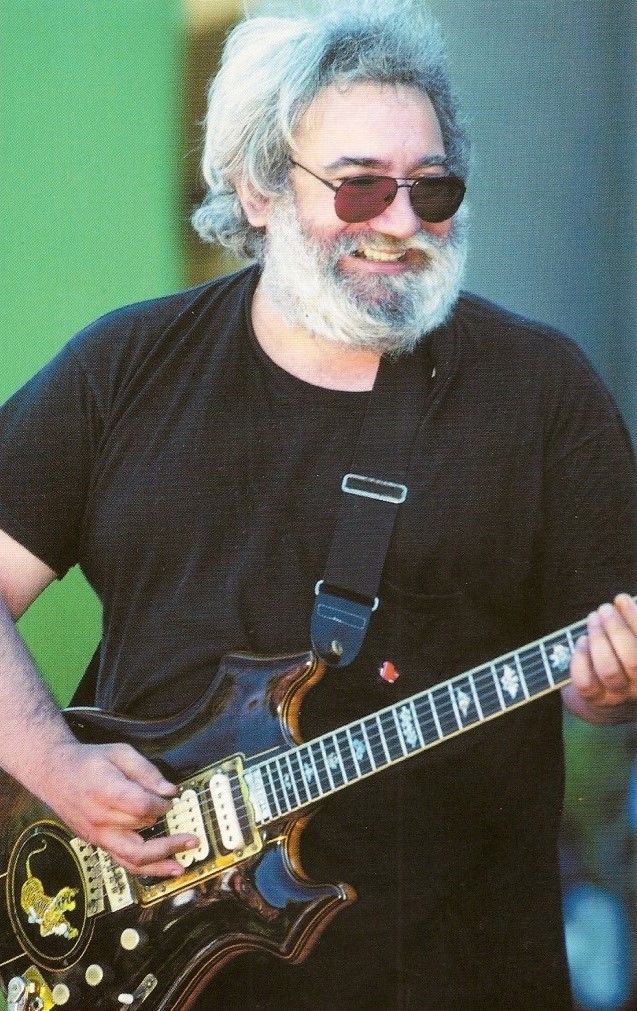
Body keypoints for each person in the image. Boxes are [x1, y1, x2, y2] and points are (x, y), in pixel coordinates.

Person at [0, 3, 636, 1008]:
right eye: (359, 185)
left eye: (432, 187)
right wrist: (52, 762)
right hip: (140, 963)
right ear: (257, 186)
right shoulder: (122, 368)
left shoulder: (541, 392)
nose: (399, 220)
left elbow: (607, 665)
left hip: (455, 971)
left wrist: (607, 689)